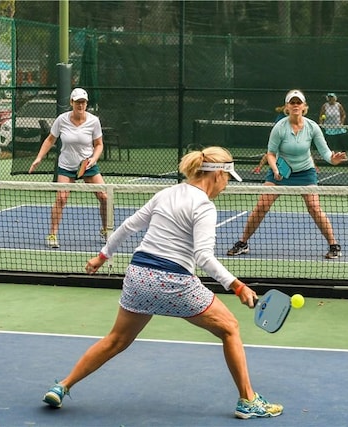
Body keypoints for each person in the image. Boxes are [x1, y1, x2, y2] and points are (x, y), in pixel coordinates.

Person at [41, 146, 284, 420]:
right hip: (174, 281)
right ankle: (248, 400)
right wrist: (237, 285)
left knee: (116, 340)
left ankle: (62, 386)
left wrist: (101, 257)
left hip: (138, 276)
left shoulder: (166, 193)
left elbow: (127, 226)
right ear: (217, 174)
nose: (226, 186)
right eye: (228, 179)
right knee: (230, 328)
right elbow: (203, 256)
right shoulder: (204, 205)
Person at [227, 89, 348, 259]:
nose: (296, 105)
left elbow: (326, 153)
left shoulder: (312, 127)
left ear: (304, 106)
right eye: (292, 102)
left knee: (314, 207)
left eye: (299, 102)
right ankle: (243, 243)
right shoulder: (280, 127)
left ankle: (334, 245)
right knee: (261, 206)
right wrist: (275, 170)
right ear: (287, 107)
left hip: (305, 172)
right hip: (280, 173)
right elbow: (270, 153)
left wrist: (333, 159)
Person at [29, 88, 108, 248]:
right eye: (77, 102)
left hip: (87, 164)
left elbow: (99, 145)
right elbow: (50, 139)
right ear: (71, 103)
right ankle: (52, 235)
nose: (80, 105)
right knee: (61, 198)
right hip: (66, 165)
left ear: (86, 104)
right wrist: (39, 157)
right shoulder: (61, 120)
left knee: (105, 197)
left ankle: (106, 230)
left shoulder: (94, 121)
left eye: (83, 102)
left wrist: (93, 158)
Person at [253, 105, 286, 174]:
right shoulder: (282, 117)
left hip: (286, 138)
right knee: (269, 153)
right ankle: (258, 169)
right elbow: (277, 128)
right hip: (279, 137)